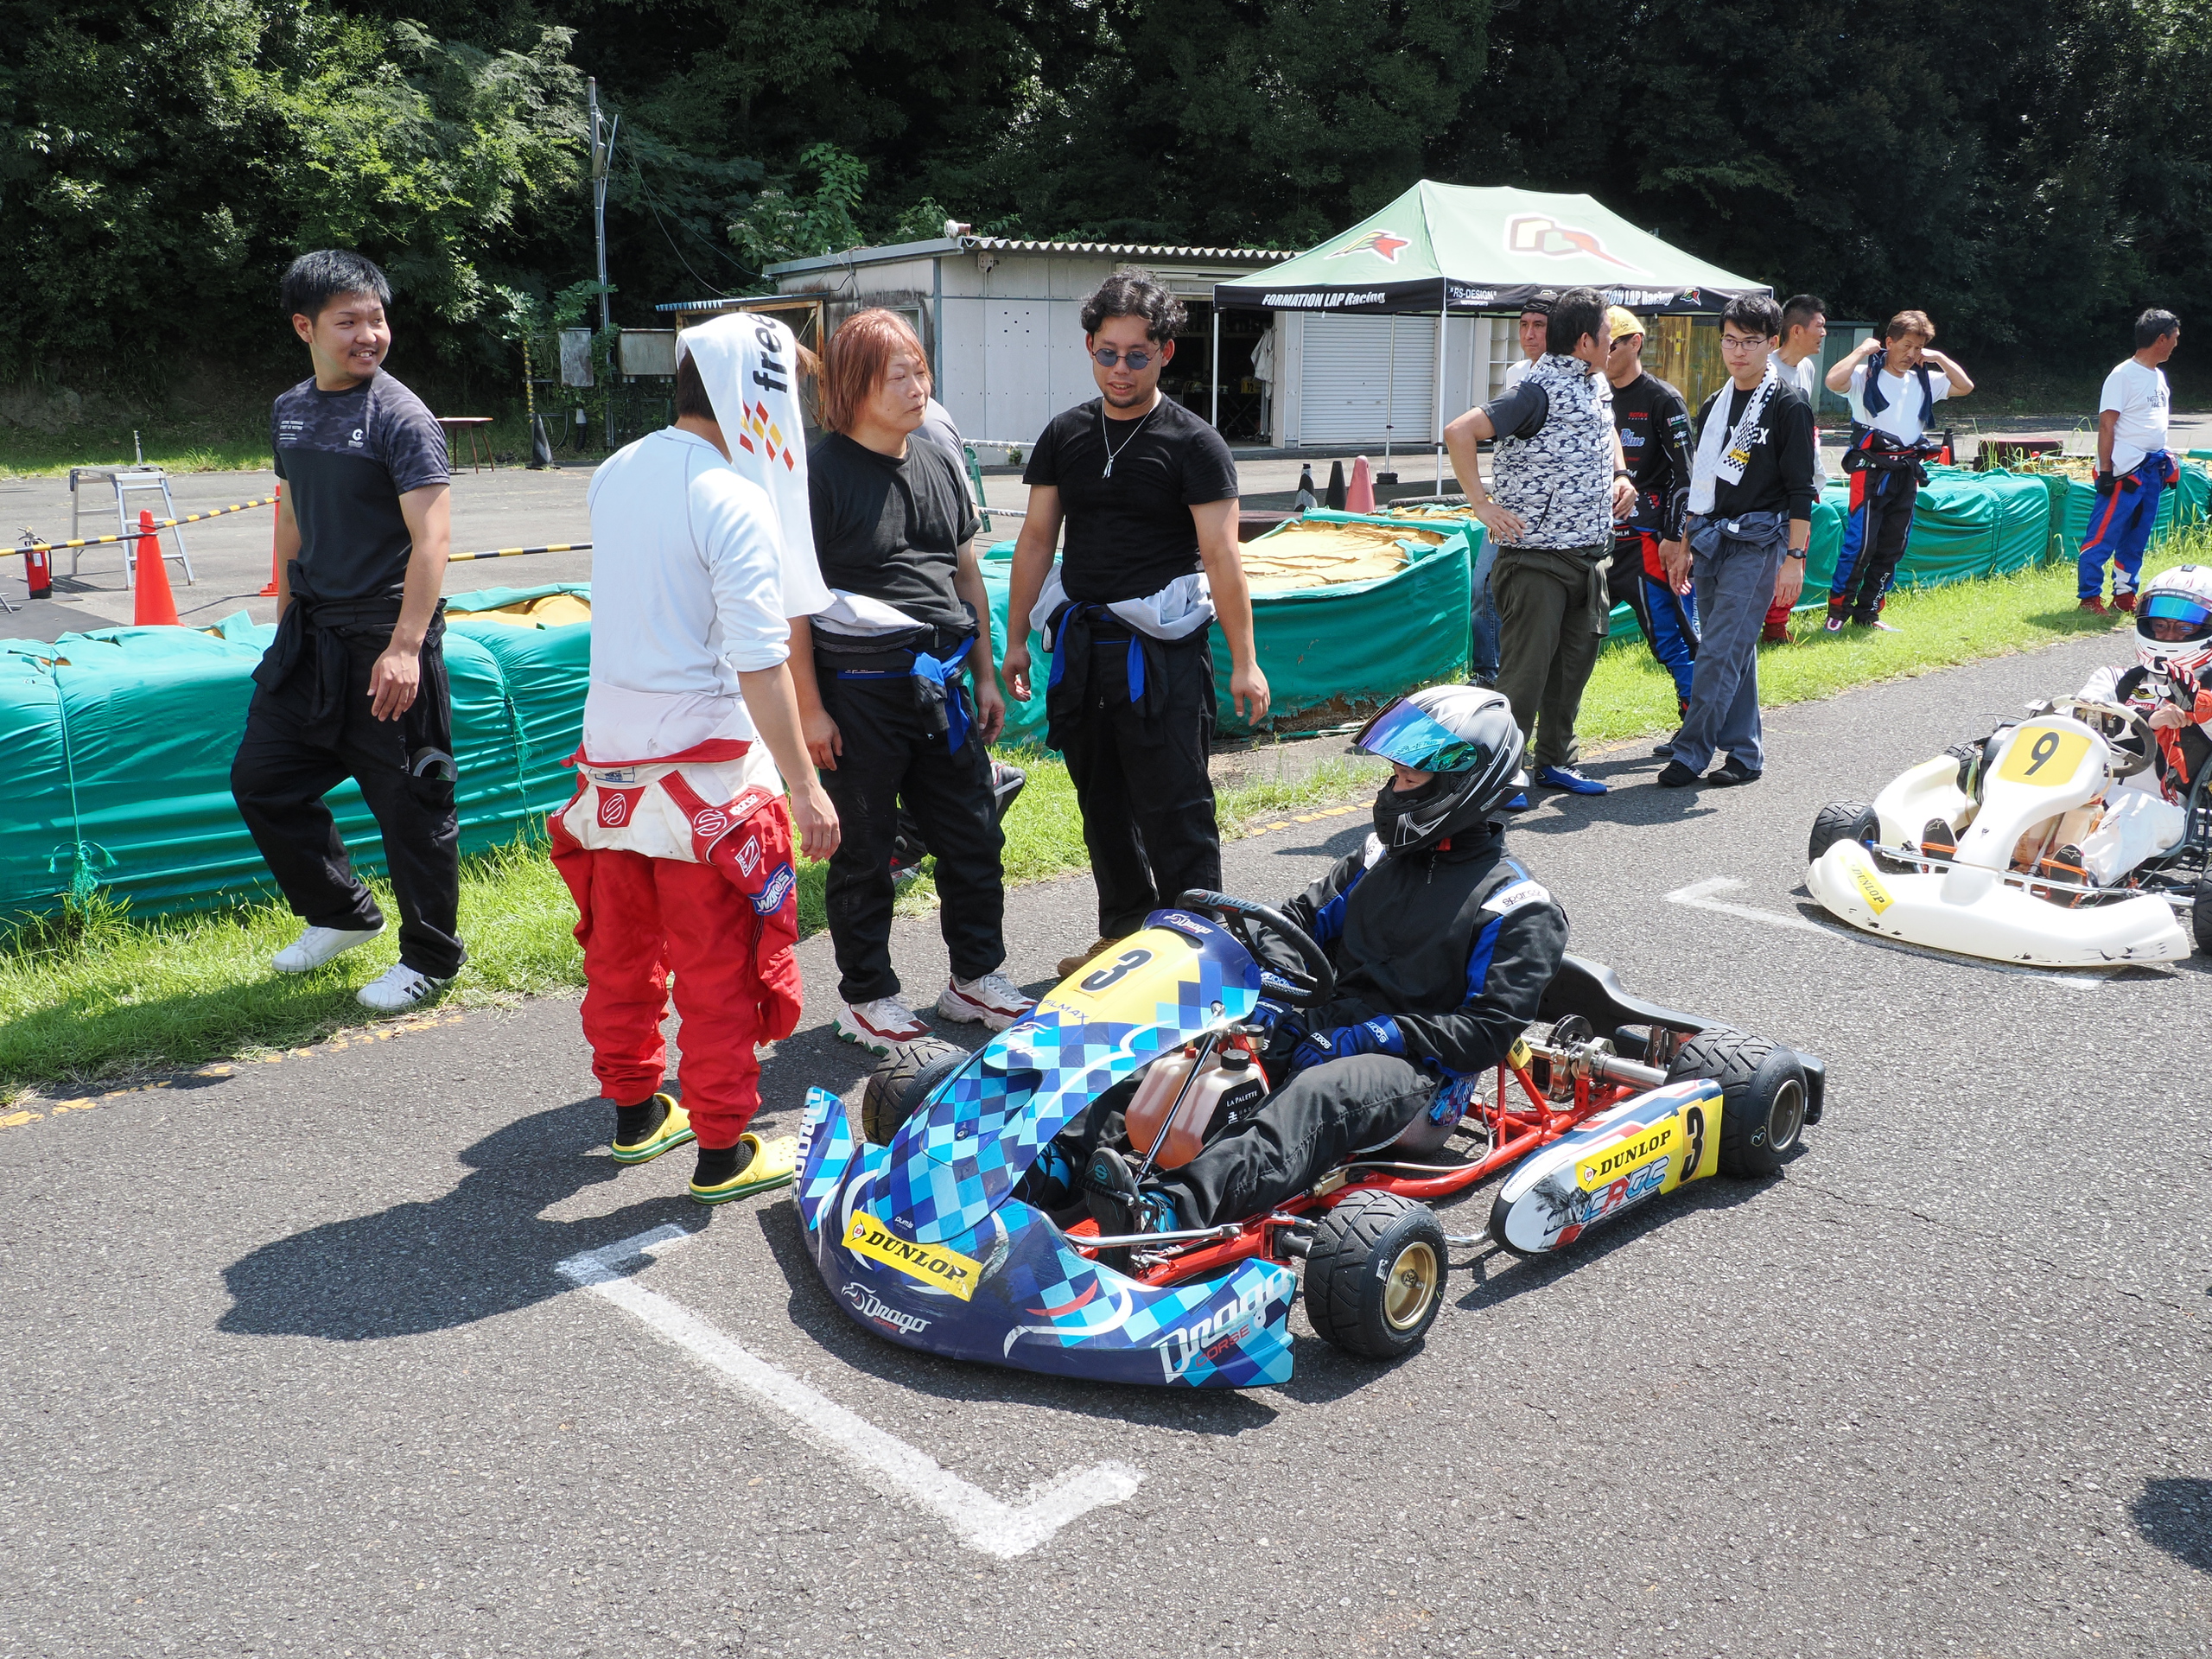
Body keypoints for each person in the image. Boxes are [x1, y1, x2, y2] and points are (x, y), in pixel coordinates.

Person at [1022, 685, 1564, 1235]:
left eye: (1408, 780)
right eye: (1394, 776)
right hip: (1324, 1024)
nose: (1392, 791)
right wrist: (1273, 990)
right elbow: (1295, 923)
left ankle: (1170, 1209)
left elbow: (1487, 1030)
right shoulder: (1376, 860)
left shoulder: (1516, 906)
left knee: (1317, 1093)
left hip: (1420, 1076)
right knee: (1197, 1038)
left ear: (1463, 784)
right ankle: (1062, 1160)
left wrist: (1378, 1035)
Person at [548, 318, 841, 1205]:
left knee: (621, 957)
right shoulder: (732, 497)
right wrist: (805, 786)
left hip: (608, 774)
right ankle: (722, 1149)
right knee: (720, 971)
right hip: (707, 780)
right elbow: (759, 657)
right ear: (757, 397)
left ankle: (637, 1113)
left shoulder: (615, 471)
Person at [1002, 270, 1269, 980]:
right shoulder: (1065, 434)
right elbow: (1036, 539)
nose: (1120, 369)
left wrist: (1245, 660)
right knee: (1103, 804)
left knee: (1176, 805)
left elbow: (1223, 556)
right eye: (1107, 353)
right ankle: (1123, 939)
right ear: (1089, 347)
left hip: (1164, 654)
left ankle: (1198, 953)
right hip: (1085, 649)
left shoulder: (1194, 443)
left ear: (1166, 353)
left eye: (1137, 356)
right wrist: (1017, 637)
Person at [789, 310, 1037, 1052]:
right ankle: (866, 997)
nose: (916, 387)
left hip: (943, 684)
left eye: (920, 371)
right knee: (865, 849)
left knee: (973, 834)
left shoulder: (937, 461)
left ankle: (974, 979)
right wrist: (810, 710)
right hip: (857, 688)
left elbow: (967, 575)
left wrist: (985, 675)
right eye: (897, 375)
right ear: (853, 387)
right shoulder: (817, 475)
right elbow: (792, 606)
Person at [231, 250, 464, 1013]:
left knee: (413, 806)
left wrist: (405, 647)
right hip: (313, 634)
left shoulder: (400, 416)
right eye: (349, 321)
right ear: (306, 327)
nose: (369, 335)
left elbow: (433, 539)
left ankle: (430, 959)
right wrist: (285, 616)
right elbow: (291, 516)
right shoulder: (290, 409)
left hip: (384, 637)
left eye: (377, 319)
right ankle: (341, 914)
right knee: (262, 781)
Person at [1443, 287, 1636, 797]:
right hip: (1536, 561)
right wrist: (1482, 505)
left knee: (1572, 668)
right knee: (1524, 676)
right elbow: (1459, 431)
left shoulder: (1595, 384)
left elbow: (1607, 429)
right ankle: (1497, 774)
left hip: (1589, 555)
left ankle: (1555, 761)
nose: (1613, 341)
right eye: (1607, 333)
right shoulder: (1535, 391)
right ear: (1586, 342)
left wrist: (1620, 474)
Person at [1656, 294, 1818, 789]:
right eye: (1730, 341)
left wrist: (1794, 559)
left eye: (1750, 341)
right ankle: (1746, 753)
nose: (1738, 351)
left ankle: (1691, 750)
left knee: (1718, 649)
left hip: (1761, 540)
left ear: (1772, 343)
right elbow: (1699, 483)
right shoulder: (1715, 403)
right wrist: (1684, 543)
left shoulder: (1789, 405)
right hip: (1710, 536)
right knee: (1733, 649)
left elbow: (1801, 490)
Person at [1823, 311, 1975, 632]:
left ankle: (1868, 614)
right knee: (1860, 544)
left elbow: (1965, 386)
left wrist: (1938, 358)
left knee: (1893, 546)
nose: (1911, 354)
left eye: (1918, 348)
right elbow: (1833, 381)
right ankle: (1837, 614)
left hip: (1906, 472)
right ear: (1889, 342)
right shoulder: (1865, 374)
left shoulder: (1924, 378)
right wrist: (1862, 350)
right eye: (1906, 346)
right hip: (1870, 472)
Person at [1602, 306, 1698, 716]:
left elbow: (1687, 476)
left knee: (1671, 637)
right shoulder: (1592, 394)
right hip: (1597, 543)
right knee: (1571, 637)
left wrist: (1676, 539)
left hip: (1647, 542)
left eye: (1611, 345)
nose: (1603, 353)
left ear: (1635, 343)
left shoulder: (1662, 398)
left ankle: (1696, 721)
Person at [2080, 310, 2183, 615]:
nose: (2177, 344)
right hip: (2125, 471)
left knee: (2137, 536)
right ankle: (2089, 597)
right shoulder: (2122, 375)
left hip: (2152, 470)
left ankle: (2125, 595)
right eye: (2175, 338)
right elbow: (2107, 425)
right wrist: (2106, 471)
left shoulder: (2158, 376)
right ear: (2161, 339)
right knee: (2103, 534)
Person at [1761, 296, 1828, 643]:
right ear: (1797, 331)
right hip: (1767, 479)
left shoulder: (1807, 369)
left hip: (1800, 476)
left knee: (1797, 545)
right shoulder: (1764, 368)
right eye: (1819, 326)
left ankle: (1776, 625)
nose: (1824, 333)